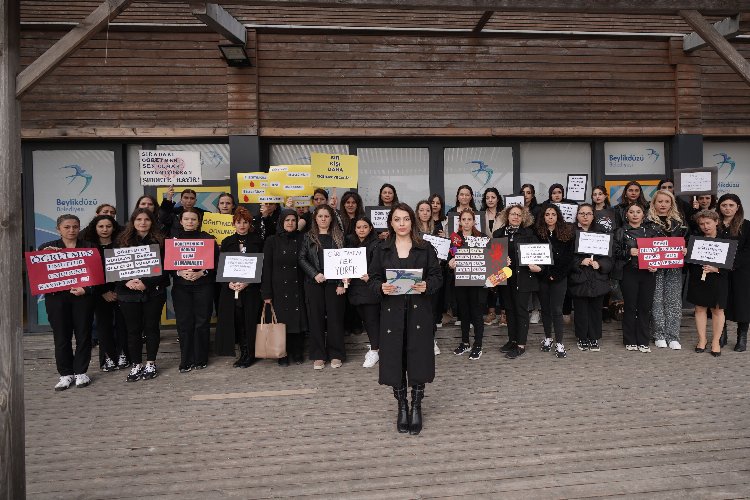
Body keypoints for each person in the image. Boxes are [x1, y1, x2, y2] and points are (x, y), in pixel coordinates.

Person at [369, 203, 442, 435]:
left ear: (412, 221)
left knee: (418, 359)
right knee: (395, 360)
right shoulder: (381, 249)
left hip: (419, 313)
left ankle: (417, 406)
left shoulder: (426, 248)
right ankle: (401, 406)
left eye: (406, 219)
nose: (402, 224)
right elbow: (372, 279)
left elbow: (437, 277)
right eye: (397, 219)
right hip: (392, 315)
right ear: (391, 223)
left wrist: (427, 286)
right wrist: (380, 287)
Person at [40, 215, 97, 391]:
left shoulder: (89, 247)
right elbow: (40, 276)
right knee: (61, 336)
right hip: (57, 298)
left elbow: (97, 275)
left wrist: (86, 290)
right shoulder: (47, 248)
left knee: (83, 334)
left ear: (79, 228)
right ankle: (65, 374)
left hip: (82, 297)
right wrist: (44, 257)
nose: (71, 230)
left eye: (75, 227)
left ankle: (81, 372)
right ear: (59, 229)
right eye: (67, 227)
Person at [116, 209, 170, 382]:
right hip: (128, 294)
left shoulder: (161, 242)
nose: (143, 222)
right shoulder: (122, 241)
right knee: (133, 331)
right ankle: (136, 365)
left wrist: (146, 283)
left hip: (153, 292)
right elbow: (113, 267)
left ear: (152, 222)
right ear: (133, 221)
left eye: (146, 219)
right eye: (139, 219)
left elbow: (166, 269)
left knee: (151, 328)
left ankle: (151, 363)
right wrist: (126, 282)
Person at [170, 208, 219, 372]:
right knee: (184, 323)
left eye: (193, 219)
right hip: (181, 288)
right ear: (181, 221)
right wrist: (179, 272)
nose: (190, 222)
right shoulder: (174, 240)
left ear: (199, 222)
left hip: (203, 286)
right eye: (187, 219)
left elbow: (216, 262)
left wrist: (202, 273)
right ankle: (186, 359)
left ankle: (201, 358)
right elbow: (167, 265)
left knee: (201, 323)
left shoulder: (208, 238)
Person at [299, 204, 347, 369]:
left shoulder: (339, 236)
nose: (323, 219)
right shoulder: (308, 237)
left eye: (326, 216)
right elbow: (302, 258)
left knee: (335, 320)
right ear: (315, 218)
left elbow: (346, 261)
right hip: (314, 284)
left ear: (331, 218)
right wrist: (314, 273)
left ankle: (336, 354)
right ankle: (318, 355)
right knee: (316, 319)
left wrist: (342, 283)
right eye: (320, 216)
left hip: (335, 285)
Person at [215, 207, 264, 366]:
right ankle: (243, 352)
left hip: (251, 290)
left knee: (250, 321)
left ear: (250, 224)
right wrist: (228, 282)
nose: (242, 225)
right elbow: (221, 266)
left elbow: (262, 266)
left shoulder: (258, 241)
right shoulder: (228, 241)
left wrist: (248, 282)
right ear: (233, 224)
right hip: (232, 290)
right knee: (238, 322)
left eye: (245, 222)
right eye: (238, 222)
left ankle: (251, 353)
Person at [492, 205, 541, 359]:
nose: (515, 217)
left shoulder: (529, 234)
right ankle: (512, 340)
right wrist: (500, 260)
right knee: (509, 309)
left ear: (523, 217)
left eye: (519, 215)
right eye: (513, 214)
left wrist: (535, 265)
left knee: (520, 310)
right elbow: (493, 258)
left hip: (523, 277)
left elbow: (538, 254)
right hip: (504, 277)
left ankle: (521, 344)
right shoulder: (498, 233)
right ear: (507, 216)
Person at [261, 208, 308, 365]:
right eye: (287, 220)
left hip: (298, 286)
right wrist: (266, 293)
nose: (290, 223)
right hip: (278, 288)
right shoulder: (271, 241)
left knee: (297, 321)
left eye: (293, 220)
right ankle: (282, 353)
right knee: (281, 321)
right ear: (281, 222)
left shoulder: (303, 238)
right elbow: (266, 268)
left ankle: (298, 352)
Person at [81, 214, 127, 371]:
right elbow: (88, 273)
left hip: (121, 290)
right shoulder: (88, 247)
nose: (105, 229)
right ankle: (107, 357)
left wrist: (117, 290)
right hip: (99, 293)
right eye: (101, 226)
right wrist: (103, 292)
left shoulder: (121, 244)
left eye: (108, 226)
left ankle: (122, 354)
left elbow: (127, 268)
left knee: (122, 324)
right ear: (95, 228)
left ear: (114, 228)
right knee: (103, 325)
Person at [614, 203, 660, 352]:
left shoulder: (652, 232)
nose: (635, 214)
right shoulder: (620, 231)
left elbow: (659, 252)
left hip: (648, 273)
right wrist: (628, 251)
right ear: (626, 214)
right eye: (631, 212)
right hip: (629, 272)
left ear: (643, 214)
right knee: (630, 307)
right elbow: (614, 252)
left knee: (645, 307)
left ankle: (643, 340)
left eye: (638, 212)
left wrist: (656, 265)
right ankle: (629, 340)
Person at [647, 190, 688, 350]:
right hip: (654, 268)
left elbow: (687, 241)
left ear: (671, 204)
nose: (663, 205)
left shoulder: (680, 223)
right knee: (656, 300)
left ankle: (673, 336)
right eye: (660, 201)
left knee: (673, 301)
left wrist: (685, 249)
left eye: (666, 202)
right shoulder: (647, 222)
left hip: (673, 267)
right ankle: (659, 335)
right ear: (654, 203)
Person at [569, 204, 612, 352]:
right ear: (577, 215)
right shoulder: (570, 233)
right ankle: (582, 338)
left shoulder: (602, 233)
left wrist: (600, 264)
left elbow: (609, 258)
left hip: (597, 278)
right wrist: (579, 262)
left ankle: (594, 338)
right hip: (579, 278)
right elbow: (566, 257)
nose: (585, 216)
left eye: (588, 213)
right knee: (580, 310)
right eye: (582, 213)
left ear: (593, 216)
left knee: (596, 310)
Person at [535, 204, 575, 358]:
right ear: (543, 217)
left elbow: (568, 259)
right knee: (545, 309)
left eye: (553, 214)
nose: (550, 217)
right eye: (547, 214)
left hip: (559, 278)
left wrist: (556, 275)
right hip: (542, 277)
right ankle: (548, 338)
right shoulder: (537, 234)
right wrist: (546, 273)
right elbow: (535, 256)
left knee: (557, 310)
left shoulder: (566, 234)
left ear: (558, 216)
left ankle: (559, 342)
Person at [688, 210, 729, 357]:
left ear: (716, 222)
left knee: (717, 310)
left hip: (718, 278)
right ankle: (702, 340)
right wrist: (686, 253)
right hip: (699, 278)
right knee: (699, 309)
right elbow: (689, 263)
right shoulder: (695, 239)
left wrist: (717, 268)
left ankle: (716, 342)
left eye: (708, 223)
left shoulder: (726, 239)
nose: (705, 226)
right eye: (701, 224)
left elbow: (734, 262)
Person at [448, 208, 488, 360]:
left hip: (477, 282)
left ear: (474, 221)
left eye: (469, 219)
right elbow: (449, 259)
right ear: (459, 221)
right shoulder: (455, 239)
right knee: (463, 313)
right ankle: (465, 342)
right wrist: (450, 264)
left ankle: (478, 344)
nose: (466, 222)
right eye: (463, 219)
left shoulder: (482, 238)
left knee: (477, 313)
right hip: (461, 281)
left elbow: (490, 258)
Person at [345, 216, 382, 368]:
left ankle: (375, 350)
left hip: (370, 288)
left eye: (365, 227)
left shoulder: (377, 244)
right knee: (366, 321)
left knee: (372, 321)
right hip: (355, 288)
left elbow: (380, 265)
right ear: (355, 229)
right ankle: (376, 346)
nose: (362, 230)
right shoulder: (350, 243)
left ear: (370, 228)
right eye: (359, 227)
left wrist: (372, 276)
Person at [718, 193, 749, 352]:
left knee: (742, 303)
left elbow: (747, 250)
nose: (727, 208)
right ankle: (721, 334)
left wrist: (733, 264)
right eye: (724, 205)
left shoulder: (747, 225)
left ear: (738, 207)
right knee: (721, 302)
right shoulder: (715, 224)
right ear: (719, 207)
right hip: (718, 271)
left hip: (741, 271)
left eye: (731, 205)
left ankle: (742, 337)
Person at [416, 199, 444, 354]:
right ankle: (419, 339)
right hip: (418, 272)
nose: (425, 212)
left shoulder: (438, 228)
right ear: (417, 212)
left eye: (428, 210)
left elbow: (446, 249)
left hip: (434, 272)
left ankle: (432, 339)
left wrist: (445, 238)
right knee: (419, 308)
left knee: (432, 309)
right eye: (422, 210)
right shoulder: (412, 230)